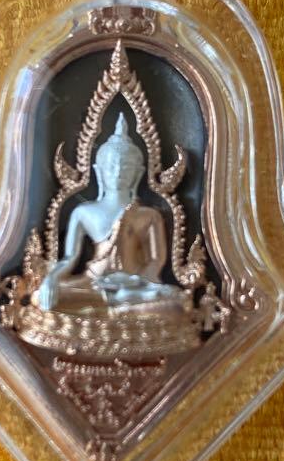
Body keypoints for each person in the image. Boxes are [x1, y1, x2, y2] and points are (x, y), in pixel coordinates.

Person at [36, 113, 182, 312]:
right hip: (92, 283)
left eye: (126, 166)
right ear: (98, 171)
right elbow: (69, 258)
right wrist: (51, 279)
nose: (118, 172)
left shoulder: (149, 216)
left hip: (134, 285)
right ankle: (120, 303)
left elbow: (156, 261)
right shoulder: (83, 212)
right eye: (111, 166)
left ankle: (123, 300)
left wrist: (135, 280)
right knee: (41, 296)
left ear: (138, 173)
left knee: (175, 300)